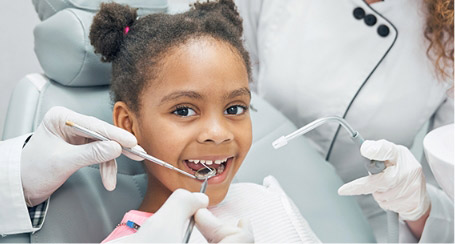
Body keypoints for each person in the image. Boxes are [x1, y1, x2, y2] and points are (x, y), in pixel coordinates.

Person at [88, 1, 321, 242]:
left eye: (234, 108)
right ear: (128, 125)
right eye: (184, 111)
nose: (218, 133)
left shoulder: (264, 202)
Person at [234, 0, 454, 242]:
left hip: (360, 226)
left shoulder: (450, 37)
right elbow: (225, 84)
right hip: (243, 187)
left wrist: (418, 204)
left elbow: (449, 215)